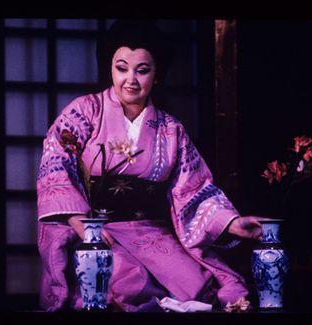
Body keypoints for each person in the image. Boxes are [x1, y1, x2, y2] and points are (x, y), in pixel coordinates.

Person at [37, 20, 264, 312]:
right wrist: (77, 221)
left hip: (151, 234)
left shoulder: (171, 130)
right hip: (97, 233)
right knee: (123, 284)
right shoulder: (83, 112)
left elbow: (195, 189)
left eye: (142, 70)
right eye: (121, 68)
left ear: (156, 75)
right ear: (110, 68)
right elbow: (56, 162)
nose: (130, 79)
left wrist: (232, 223)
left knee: (197, 286)